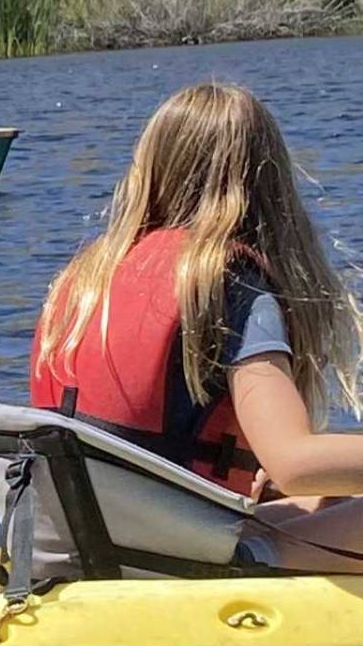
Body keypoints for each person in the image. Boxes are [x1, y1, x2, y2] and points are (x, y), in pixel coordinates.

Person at [30, 81, 363, 571]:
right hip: (177, 561)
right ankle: (258, 559)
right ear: (269, 184)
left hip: (87, 543)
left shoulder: (86, 276)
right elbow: (294, 462)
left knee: (330, 499)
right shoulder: (232, 285)